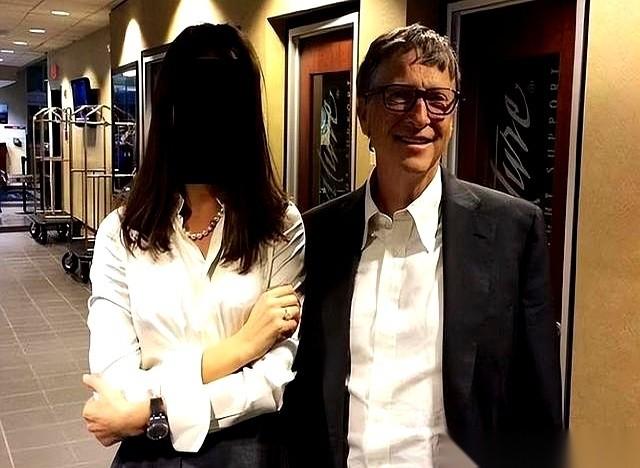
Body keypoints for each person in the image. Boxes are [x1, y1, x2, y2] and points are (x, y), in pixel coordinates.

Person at [283, 24, 562, 467]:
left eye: (438, 100)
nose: (420, 117)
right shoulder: (317, 235)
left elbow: (538, 408)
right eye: (399, 96)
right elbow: (297, 396)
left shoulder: (512, 231)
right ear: (363, 113)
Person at [81, 23, 304, 467]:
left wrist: (149, 412)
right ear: (169, 112)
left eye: (223, 102)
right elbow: (116, 380)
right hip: (148, 456)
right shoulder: (120, 234)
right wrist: (241, 347)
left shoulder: (279, 226)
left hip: (249, 451)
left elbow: (272, 380)